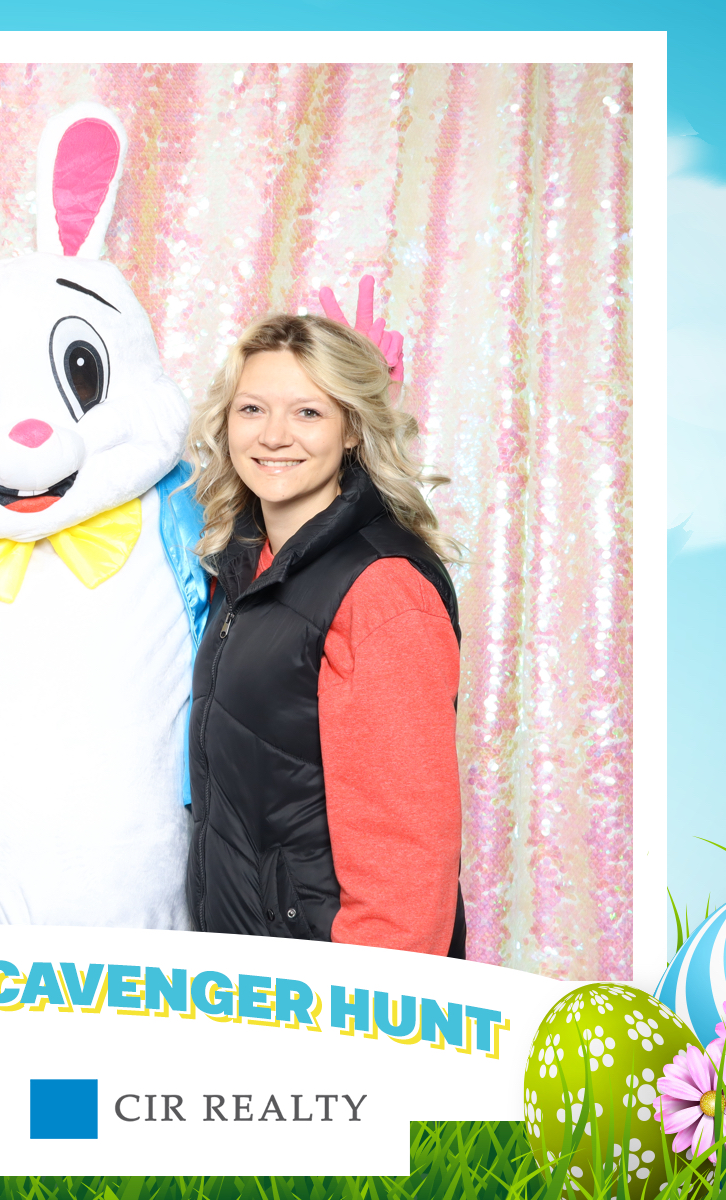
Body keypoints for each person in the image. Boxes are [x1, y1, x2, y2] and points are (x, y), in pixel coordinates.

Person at [185, 310, 466, 956]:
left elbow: (409, 862)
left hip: (335, 988)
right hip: (252, 972)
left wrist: (367, 1003)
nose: (274, 435)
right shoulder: (244, 568)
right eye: (252, 409)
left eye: (308, 412)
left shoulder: (382, 590)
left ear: (351, 429)